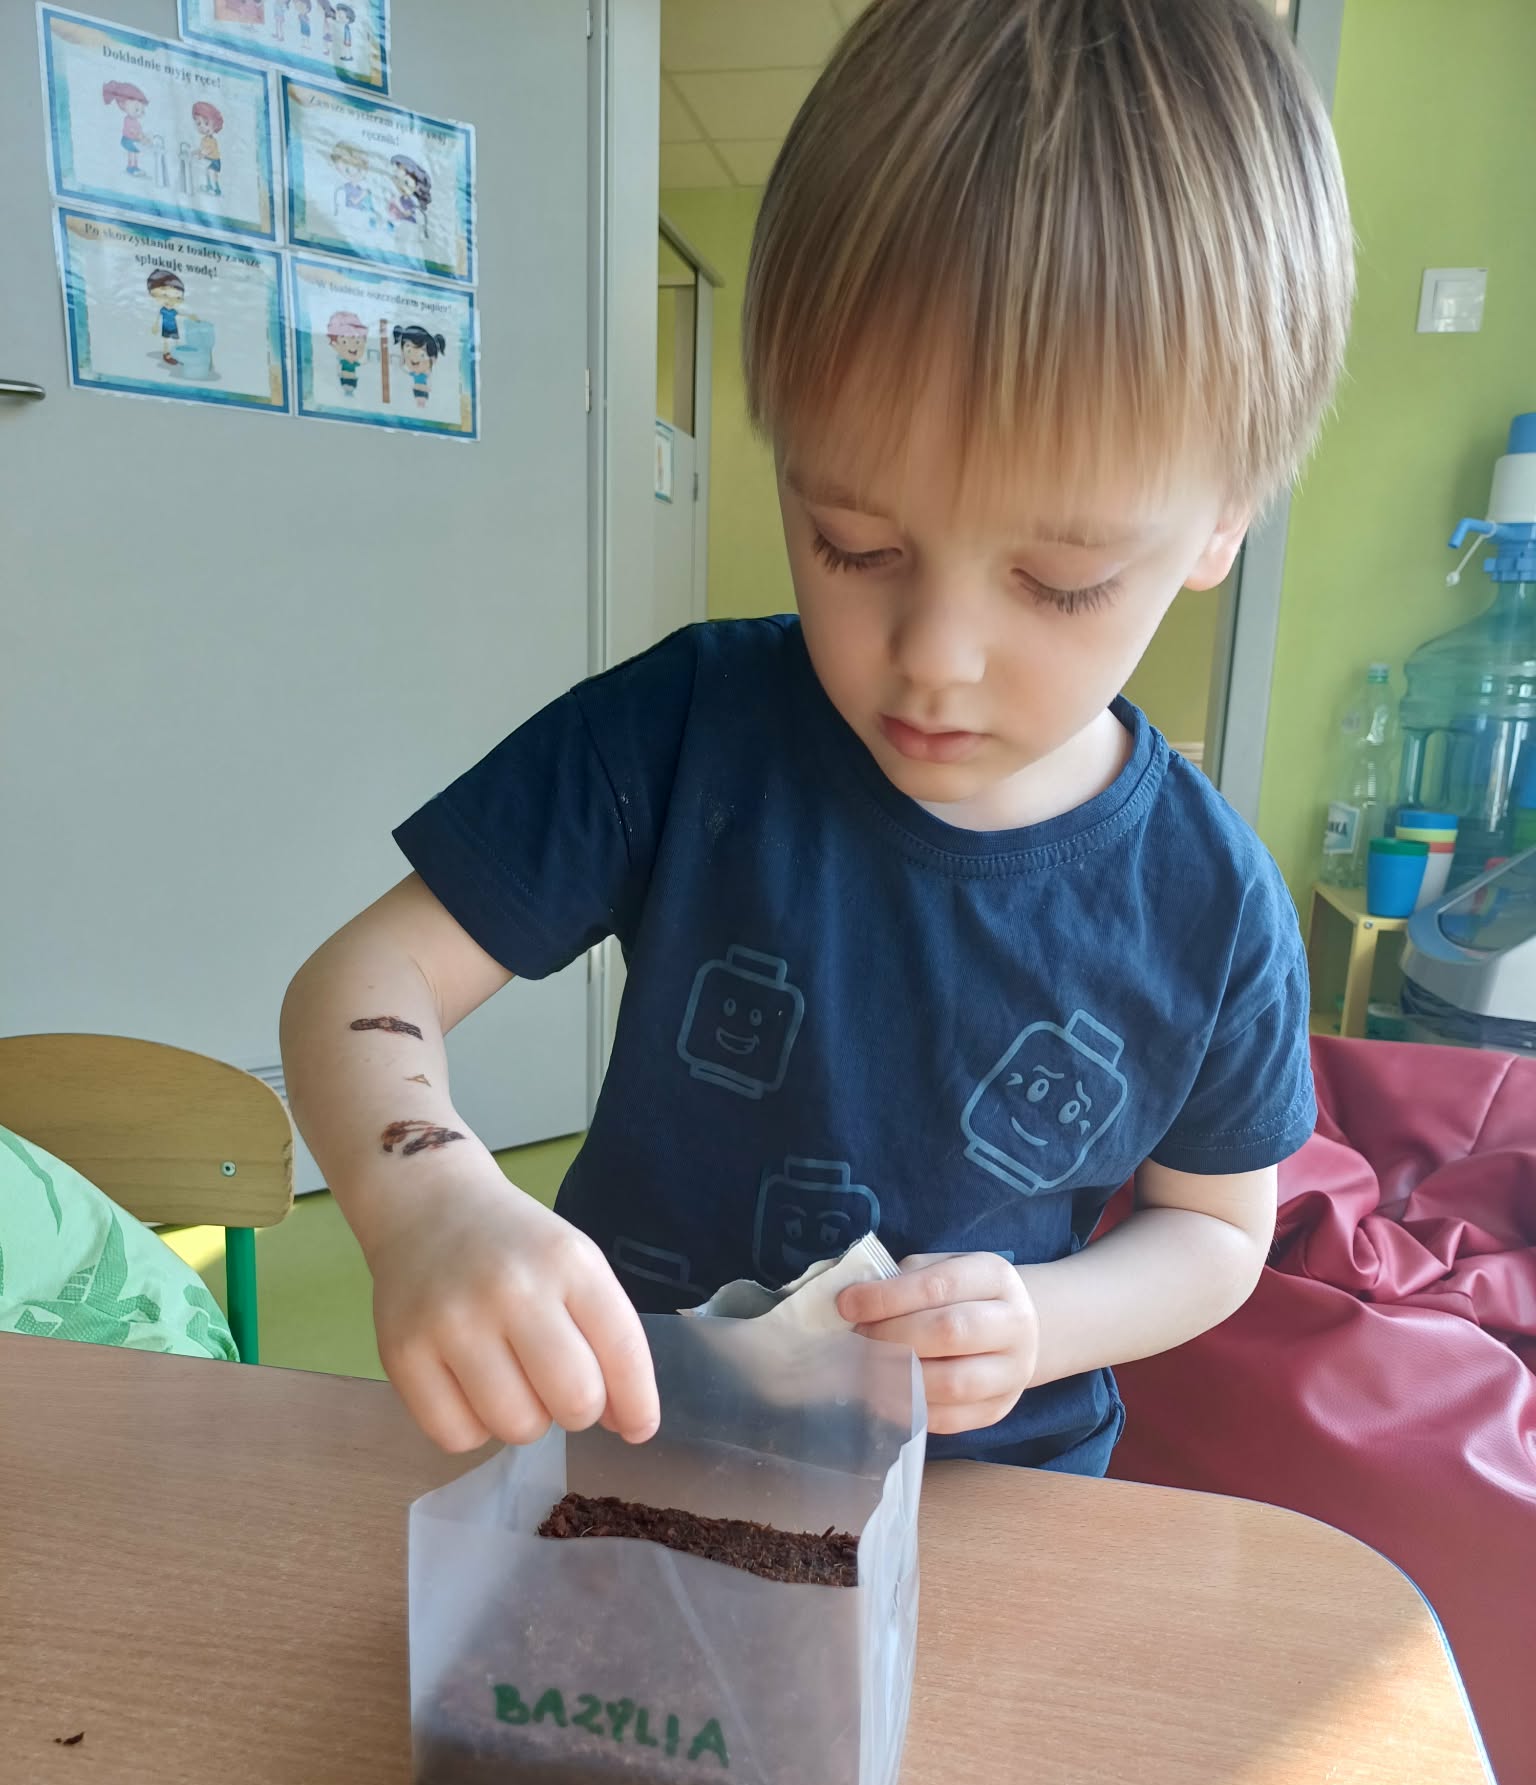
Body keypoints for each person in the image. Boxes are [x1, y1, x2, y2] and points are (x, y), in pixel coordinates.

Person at [282, 0, 1353, 1470]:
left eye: (1059, 580)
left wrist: (1042, 1320)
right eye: (853, 541)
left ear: (1223, 520)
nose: (936, 660)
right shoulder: (686, 729)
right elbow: (364, 979)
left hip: (988, 1485)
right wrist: (430, 1195)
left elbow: (1217, 1231)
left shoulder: (1214, 905)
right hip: (643, 1445)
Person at [102, 79, 148, 178]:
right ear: (122, 105)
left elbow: (139, 132)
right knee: (132, 153)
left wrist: (143, 137)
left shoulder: (136, 121)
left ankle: (135, 167)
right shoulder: (128, 120)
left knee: (135, 153)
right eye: (137, 109)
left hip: (133, 140)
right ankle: (131, 167)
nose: (139, 113)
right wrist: (138, 136)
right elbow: (132, 131)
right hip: (127, 140)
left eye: (142, 111)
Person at [391, 323, 443, 408]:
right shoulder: (415, 373)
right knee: (419, 396)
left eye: (422, 355)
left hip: (421, 388)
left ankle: (422, 403)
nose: (414, 359)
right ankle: (420, 403)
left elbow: (429, 373)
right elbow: (403, 368)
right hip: (418, 388)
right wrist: (402, 359)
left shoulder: (423, 374)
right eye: (409, 351)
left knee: (421, 397)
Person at [146, 268, 185, 366]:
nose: (171, 300)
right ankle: (166, 354)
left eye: (177, 297)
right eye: (165, 295)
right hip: (166, 328)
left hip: (174, 328)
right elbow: (158, 317)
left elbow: (179, 315)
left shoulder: (172, 310)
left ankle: (177, 353)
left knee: (176, 340)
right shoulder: (163, 310)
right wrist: (155, 325)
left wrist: (189, 316)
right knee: (166, 341)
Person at [326, 308, 367, 395]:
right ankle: (347, 389)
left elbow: (359, 364)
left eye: (357, 342)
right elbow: (339, 366)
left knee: (350, 381)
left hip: (351, 376)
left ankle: (350, 389)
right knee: (346, 381)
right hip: (346, 375)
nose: (353, 346)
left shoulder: (353, 362)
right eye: (344, 342)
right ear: (335, 344)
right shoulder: (343, 361)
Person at [191, 102, 223, 197]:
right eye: (198, 123)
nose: (202, 127)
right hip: (208, 160)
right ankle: (209, 186)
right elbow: (202, 149)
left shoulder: (212, 140)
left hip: (214, 160)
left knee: (213, 174)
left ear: (215, 124)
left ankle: (217, 188)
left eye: (206, 123)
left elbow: (209, 150)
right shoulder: (204, 139)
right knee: (207, 173)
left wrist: (202, 154)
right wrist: (194, 152)